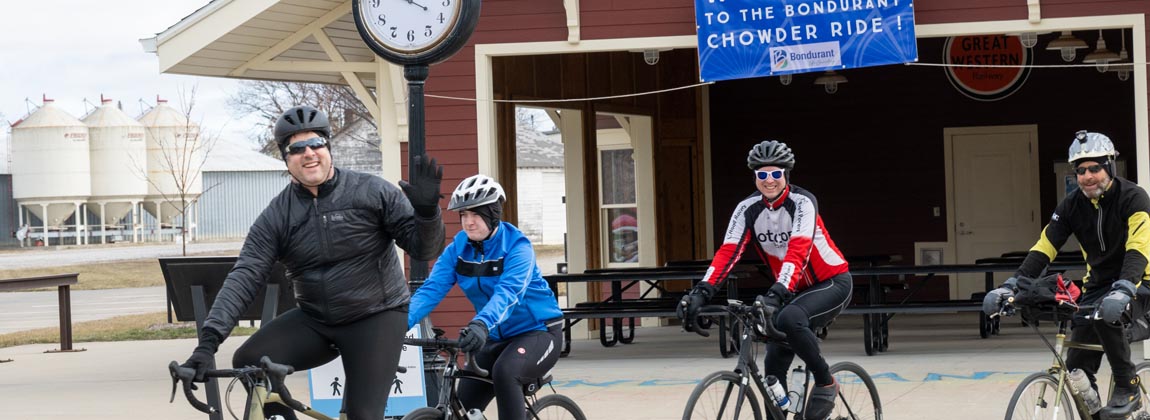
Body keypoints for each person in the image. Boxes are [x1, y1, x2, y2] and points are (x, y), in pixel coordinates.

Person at [179, 105, 446, 420]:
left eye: (316, 143)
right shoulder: (277, 215)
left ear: (328, 148)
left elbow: (423, 248)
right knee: (250, 361)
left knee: (363, 415)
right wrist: (207, 344)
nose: (309, 153)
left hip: (377, 315)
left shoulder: (372, 192)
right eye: (297, 148)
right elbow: (245, 277)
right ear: (286, 158)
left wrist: (428, 214)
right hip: (317, 319)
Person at [677, 140, 853, 420]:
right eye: (762, 175)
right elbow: (727, 252)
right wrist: (701, 292)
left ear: (786, 175)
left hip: (831, 282)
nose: (769, 181)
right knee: (772, 365)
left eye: (775, 174)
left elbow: (798, 252)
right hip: (791, 290)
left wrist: (776, 293)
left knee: (789, 319)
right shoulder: (747, 209)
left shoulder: (803, 203)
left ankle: (825, 381)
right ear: (754, 177)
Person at [983, 130, 1150, 420]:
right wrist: (1011, 285)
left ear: (1109, 166)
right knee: (1076, 371)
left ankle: (1129, 387)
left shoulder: (1133, 198)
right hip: (1098, 288)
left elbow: (1138, 249)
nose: (1087, 176)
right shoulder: (1072, 206)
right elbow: (1044, 248)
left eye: (1095, 168)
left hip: (1140, 283)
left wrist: (1123, 289)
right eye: (1081, 170)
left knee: (1104, 317)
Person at [408, 174, 564, 420]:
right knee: (462, 405)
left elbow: (508, 293)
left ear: (493, 214)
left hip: (538, 332)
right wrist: (397, 324)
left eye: (475, 214)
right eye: (463, 215)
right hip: (492, 337)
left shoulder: (517, 247)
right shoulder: (457, 250)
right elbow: (431, 290)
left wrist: (481, 323)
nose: (468, 222)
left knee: (506, 372)